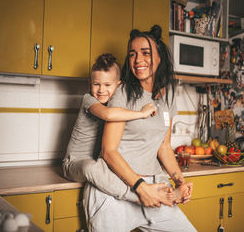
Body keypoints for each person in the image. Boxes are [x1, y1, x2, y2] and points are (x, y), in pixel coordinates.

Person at [84, 25, 196, 232]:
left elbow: (163, 147)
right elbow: (108, 151)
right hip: (116, 191)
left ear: (160, 57)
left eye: (146, 53)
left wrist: (179, 180)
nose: (138, 60)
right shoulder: (123, 93)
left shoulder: (167, 97)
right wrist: (140, 187)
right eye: (133, 54)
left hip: (155, 189)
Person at [62, 53, 173, 203]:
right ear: (90, 84)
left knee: (116, 169)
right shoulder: (89, 99)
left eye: (107, 85)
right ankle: (137, 197)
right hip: (74, 163)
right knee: (91, 167)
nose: (101, 90)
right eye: (96, 84)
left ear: (118, 85)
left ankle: (156, 192)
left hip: (100, 163)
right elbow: (108, 114)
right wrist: (141, 113)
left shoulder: (119, 103)